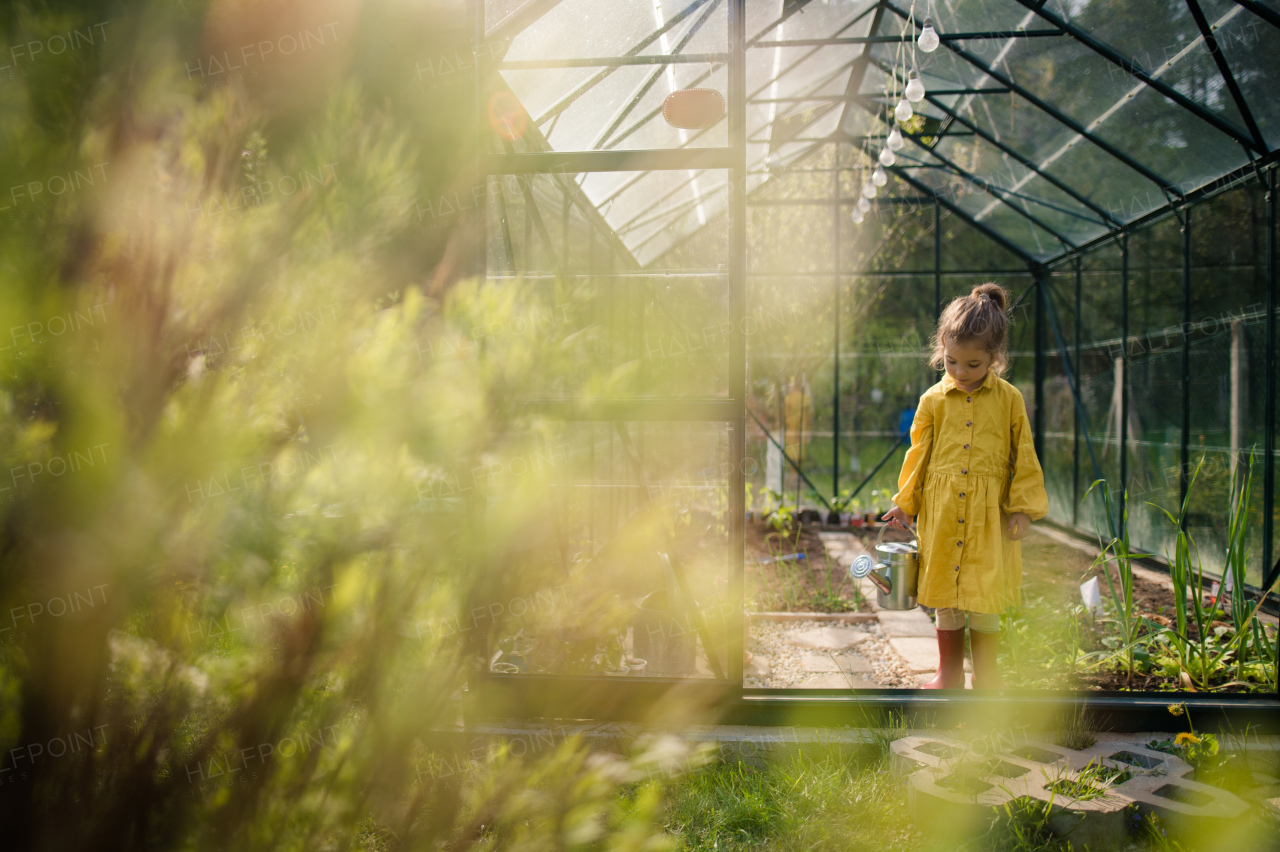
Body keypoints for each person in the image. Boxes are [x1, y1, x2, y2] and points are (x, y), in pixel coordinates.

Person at [882, 283, 1048, 690]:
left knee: (984, 593)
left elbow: (1023, 453)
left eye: (973, 365)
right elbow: (918, 456)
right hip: (941, 511)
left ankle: (987, 676)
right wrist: (906, 503)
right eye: (952, 362)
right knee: (946, 594)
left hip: (989, 513)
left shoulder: (1009, 400)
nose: (960, 372)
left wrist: (1022, 507)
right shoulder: (932, 401)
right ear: (942, 349)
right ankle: (948, 673)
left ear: (995, 357)